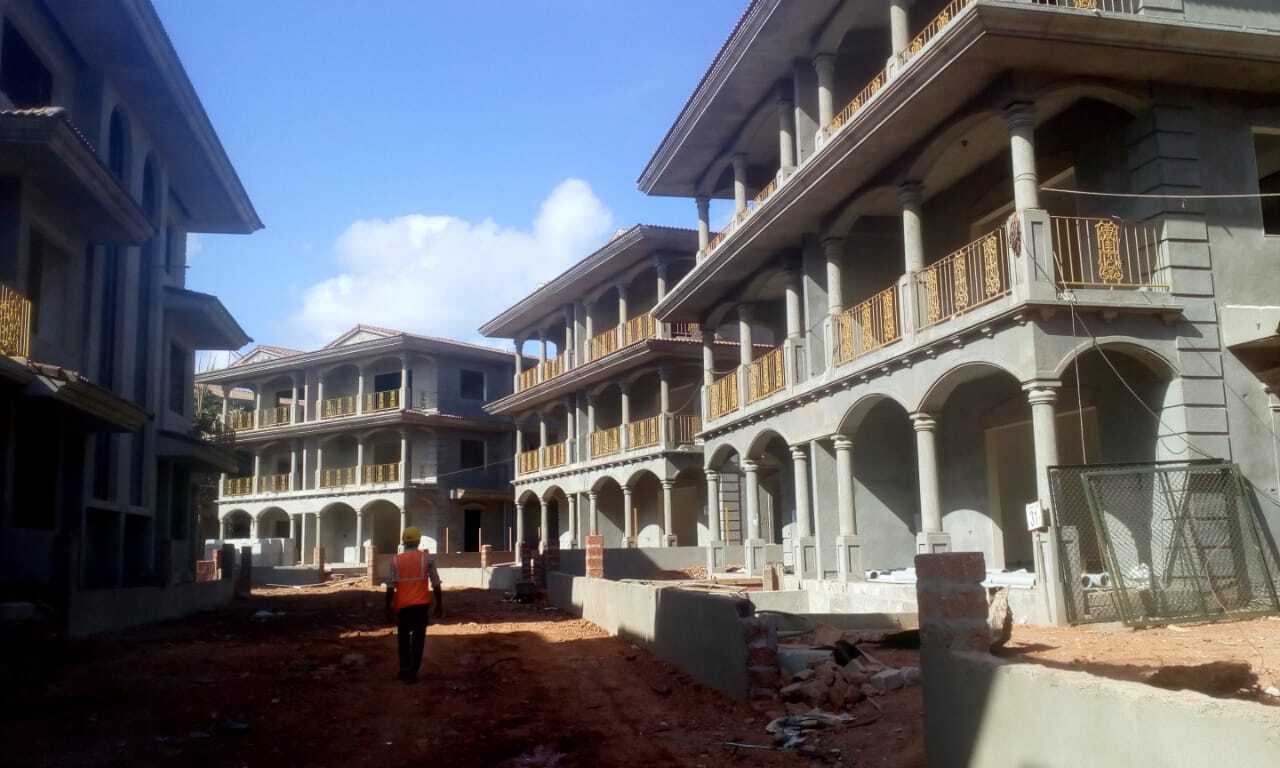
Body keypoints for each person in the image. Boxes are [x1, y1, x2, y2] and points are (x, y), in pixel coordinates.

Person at [385, 527, 443, 683]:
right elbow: (436, 583)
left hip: (402, 606)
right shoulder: (427, 559)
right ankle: (413, 672)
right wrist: (439, 604)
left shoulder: (395, 560)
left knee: (403, 639)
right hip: (421, 606)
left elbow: (390, 587)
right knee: (418, 640)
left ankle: (404, 670)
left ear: (404, 542)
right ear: (418, 541)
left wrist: (387, 608)